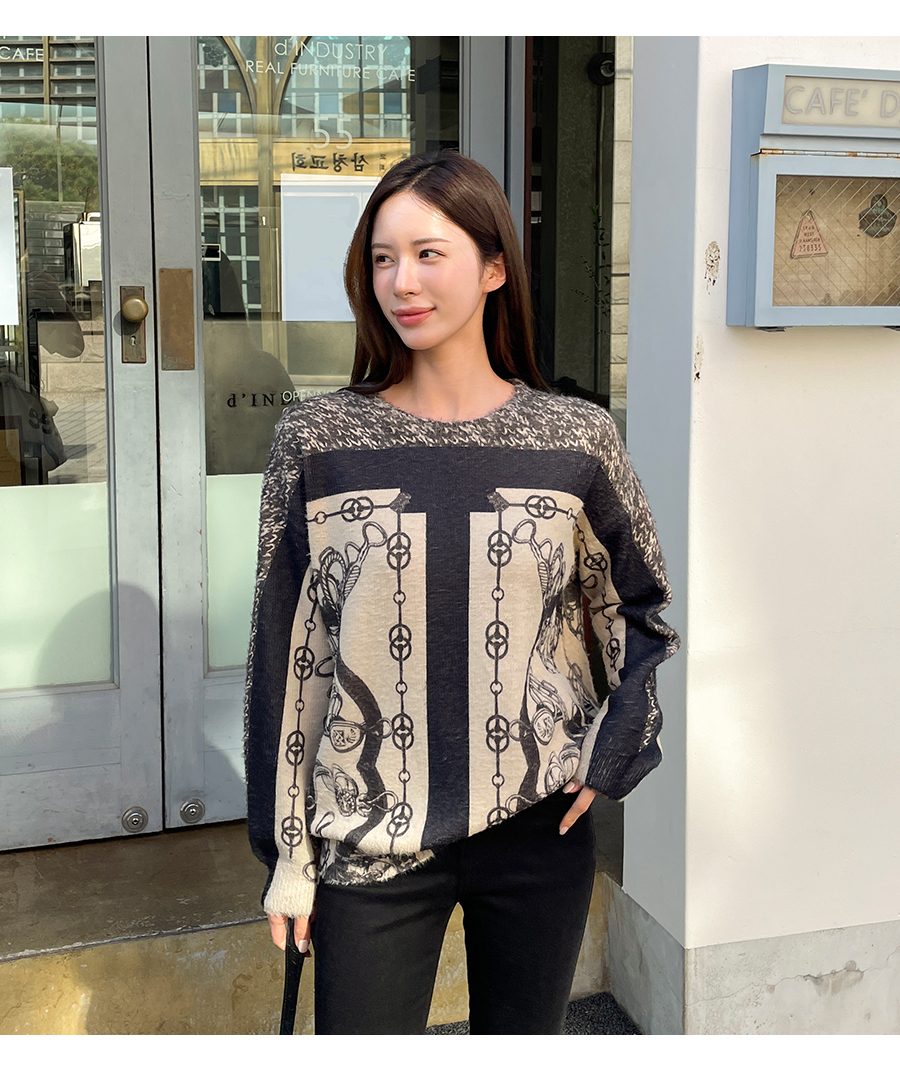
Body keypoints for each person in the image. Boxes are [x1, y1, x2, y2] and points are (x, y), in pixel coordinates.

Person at [243, 149, 679, 1035]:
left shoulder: (576, 438)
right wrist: (288, 849)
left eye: (428, 254)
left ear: (493, 268)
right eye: (382, 258)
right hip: (368, 836)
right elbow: (287, 654)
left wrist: (613, 749)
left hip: (538, 828)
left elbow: (640, 609)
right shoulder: (318, 440)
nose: (401, 281)